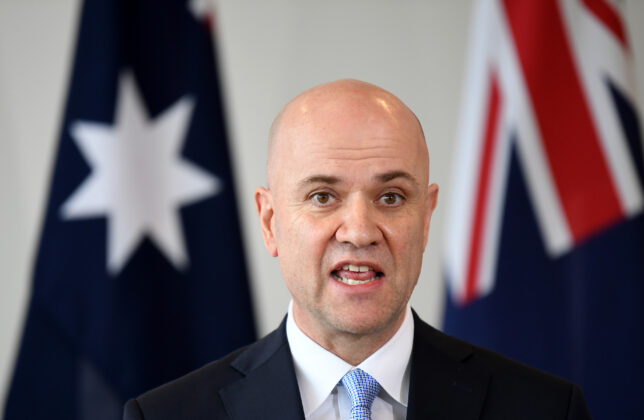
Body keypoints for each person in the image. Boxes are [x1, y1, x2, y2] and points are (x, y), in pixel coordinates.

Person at [123, 79, 591, 419]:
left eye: (391, 198)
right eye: (323, 197)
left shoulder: (546, 411)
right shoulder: (168, 417)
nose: (360, 231)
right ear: (270, 222)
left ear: (425, 218)